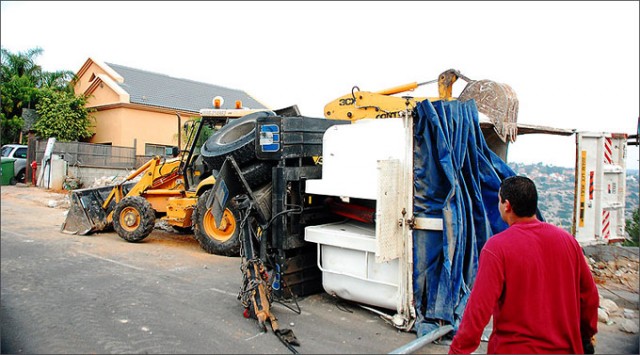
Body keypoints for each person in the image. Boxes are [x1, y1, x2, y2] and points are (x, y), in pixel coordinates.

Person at [449, 175, 599, 354]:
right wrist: (585, 335)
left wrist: (458, 351)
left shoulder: (497, 247)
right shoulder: (567, 241)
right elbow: (589, 297)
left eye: (499, 201)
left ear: (507, 206)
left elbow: (478, 310)